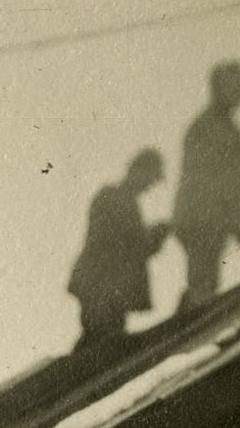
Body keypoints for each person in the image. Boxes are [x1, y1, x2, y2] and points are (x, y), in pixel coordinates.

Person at [173, 61, 240, 310]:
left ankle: (195, 311)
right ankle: (192, 315)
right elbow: (211, 180)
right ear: (220, 88)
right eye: (237, 87)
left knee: (207, 281)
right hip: (202, 218)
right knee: (202, 282)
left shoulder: (231, 131)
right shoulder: (205, 128)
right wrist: (238, 217)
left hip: (214, 219)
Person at [70, 149, 171, 357]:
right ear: (138, 171)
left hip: (105, 288)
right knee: (102, 344)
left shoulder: (119, 199)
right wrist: (156, 235)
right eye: (150, 178)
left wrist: (153, 236)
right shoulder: (113, 197)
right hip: (101, 287)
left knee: (98, 343)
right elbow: (124, 246)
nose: (149, 186)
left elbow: (128, 245)